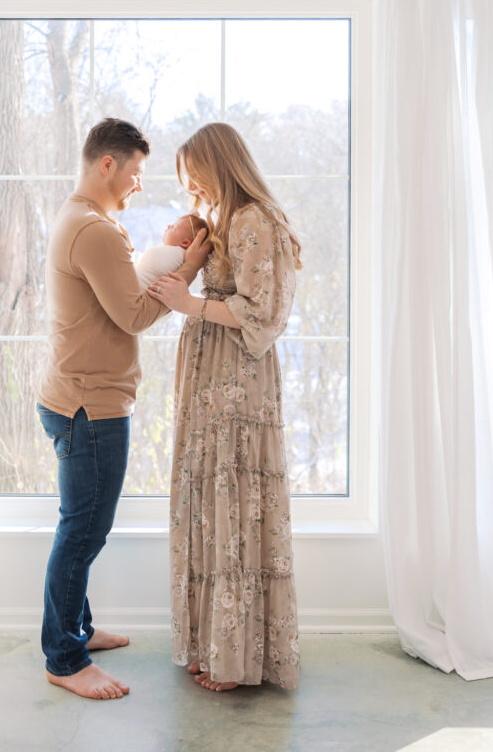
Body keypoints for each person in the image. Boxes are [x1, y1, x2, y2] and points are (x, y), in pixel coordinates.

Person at [37, 117, 210, 701]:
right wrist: (188, 269)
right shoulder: (96, 232)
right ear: (107, 164)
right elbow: (134, 316)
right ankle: (64, 658)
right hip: (90, 406)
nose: (139, 185)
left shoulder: (81, 219)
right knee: (83, 532)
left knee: (81, 527)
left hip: (74, 397)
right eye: (135, 172)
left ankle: (77, 630)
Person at [148, 122, 302, 692]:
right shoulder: (227, 221)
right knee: (211, 503)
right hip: (211, 376)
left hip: (237, 378)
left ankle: (236, 659)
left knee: (233, 501)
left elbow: (263, 312)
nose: (195, 190)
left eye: (198, 178)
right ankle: (216, 645)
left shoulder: (255, 219)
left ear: (219, 166)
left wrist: (190, 303)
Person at [134, 212, 210, 289]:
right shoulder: (176, 255)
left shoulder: (178, 254)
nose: (168, 226)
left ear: (185, 242)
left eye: (173, 227)